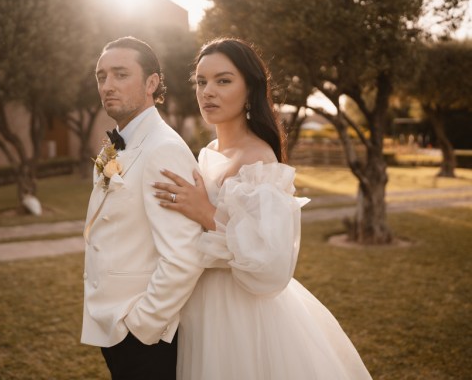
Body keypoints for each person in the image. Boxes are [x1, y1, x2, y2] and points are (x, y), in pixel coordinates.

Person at [153, 38, 372, 379]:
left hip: (240, 311)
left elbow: (270, 262)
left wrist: (206, 213)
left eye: (223, 80)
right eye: (201, 81)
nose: (207, 91)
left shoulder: (259, 159)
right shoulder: (208, 150)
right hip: (196, 302)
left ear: (250, 89)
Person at [80, 36, 204, 380]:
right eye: (101, 76)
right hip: (115, 325)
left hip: (143, 338)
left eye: (121, 74)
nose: (107, 85)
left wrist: (142, 326)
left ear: (152, 83)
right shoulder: (120, 143)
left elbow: (184, 256)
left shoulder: (162, 148)